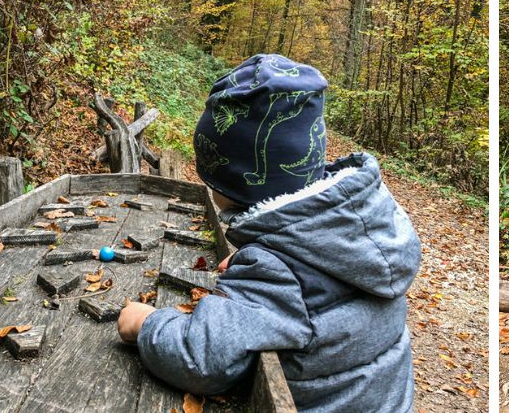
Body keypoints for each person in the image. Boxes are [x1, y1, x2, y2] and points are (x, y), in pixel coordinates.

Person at [117, 54, 421, 412]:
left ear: (233, 182)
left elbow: (202, 360)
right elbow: (312, 285)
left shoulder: (276, 270)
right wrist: (270, 253)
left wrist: (147, 324)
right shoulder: (358, 223)